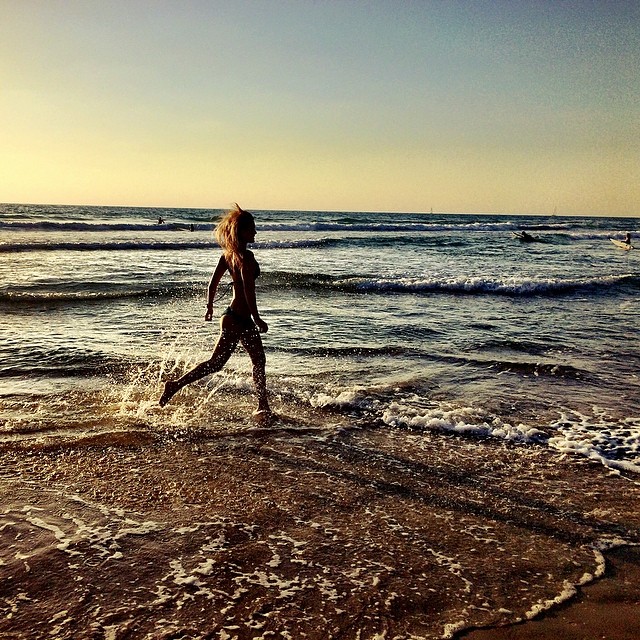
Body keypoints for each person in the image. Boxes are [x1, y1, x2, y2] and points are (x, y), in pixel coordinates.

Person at [159, 204, 271, 419]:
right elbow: (248, 290)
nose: (256, 232)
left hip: (231, 316)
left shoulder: (227, 256)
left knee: (222, 363)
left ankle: (175, 385)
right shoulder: (246, 257)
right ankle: (262, 406)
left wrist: (209, 307)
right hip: (240, 319)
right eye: (252, 228)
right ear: (242, 231)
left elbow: (212, 285)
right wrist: (257, 318)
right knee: (251, 361)